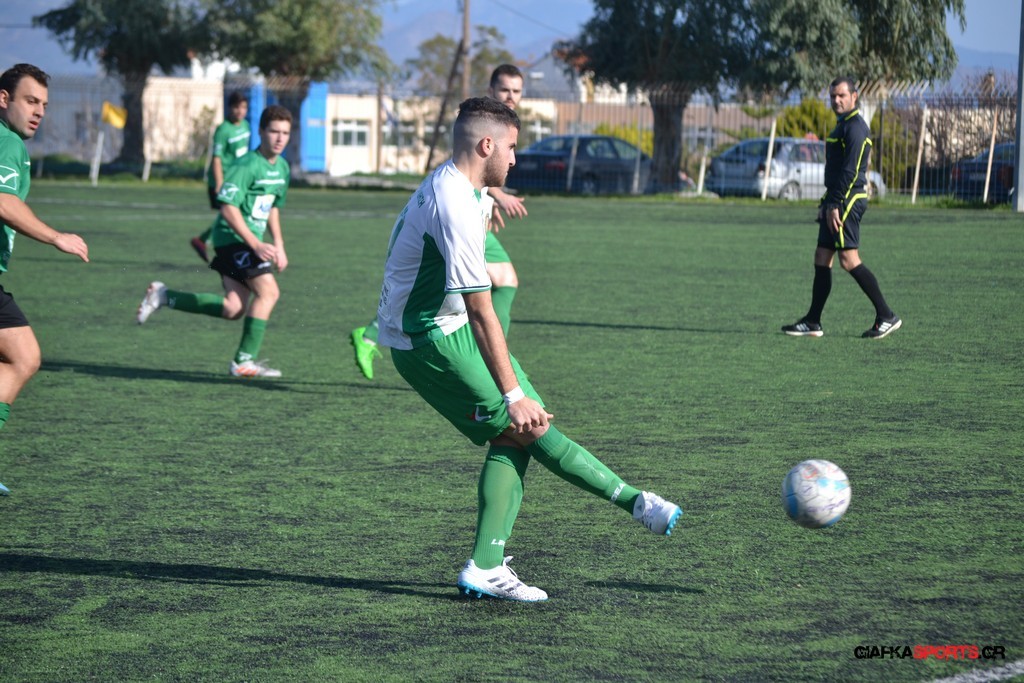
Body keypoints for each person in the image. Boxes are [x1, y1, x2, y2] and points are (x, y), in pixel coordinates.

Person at [376, 97, 681, 602]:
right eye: (512, 147)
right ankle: (635, 503)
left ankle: (488, 564)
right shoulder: (454, 202)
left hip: (447, 328)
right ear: (486, 144)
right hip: (429, 340)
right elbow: (480, 310)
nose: (516, 159)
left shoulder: (465, 188)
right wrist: (512, 392)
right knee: (527, 426)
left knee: (520, 434)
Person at [350, 64, 529, 380]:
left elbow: (481, 175)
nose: (511, 96)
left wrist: (488, 201)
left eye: (516, 91)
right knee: (494, 281)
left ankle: (373, 333)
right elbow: (469, 166)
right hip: (457, 216)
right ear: (491, 90)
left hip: (473, 211)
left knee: (485, 281)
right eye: (505, 89)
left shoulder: (502, 125)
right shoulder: (480, 122)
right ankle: (487, 354)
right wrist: (497, 197)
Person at [137, 105, 292, 378]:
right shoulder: (247, 165)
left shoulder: (282, 167)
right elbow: (228, 208)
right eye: (274, 131)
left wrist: (279, 244)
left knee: (234, 308)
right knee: (269, 292)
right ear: (260, 131)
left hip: (246, 242)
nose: (280, 138)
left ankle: (164, 296)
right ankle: (243, 361)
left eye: (285, 133)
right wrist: (256, 244)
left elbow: (272, 208)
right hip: (233, 239)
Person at [0, 64, 90, 495]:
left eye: (44, 105)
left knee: (24, 356)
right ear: (4, 99)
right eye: (30, 101)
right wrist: (56, 237)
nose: (39, 112)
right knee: (23, 357)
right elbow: (3, 201)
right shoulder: (6, 142)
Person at [782, 76, 901, 339]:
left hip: (848, 200)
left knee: (849, 260)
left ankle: (887, 316)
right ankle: (813, 321)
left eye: (841, 95)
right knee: (822, 256)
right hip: (835, 200)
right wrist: (826, 203)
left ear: (854, 97)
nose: (836, 100)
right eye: (833, 96)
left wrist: (835, 203)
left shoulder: (856, 127)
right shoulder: (843, 125)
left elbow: (850, 171)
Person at [191, 91, 251, 263]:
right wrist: (219, 183)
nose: (240, 111)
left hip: (237, 178)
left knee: (233, 214)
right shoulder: (223, 130)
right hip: (224, 179)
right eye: (237, 107)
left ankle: (203, 240)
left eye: (244, 107)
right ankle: (220, 247)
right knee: (232, 214)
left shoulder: (246, 126)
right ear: (230, 108)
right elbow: (216, 159)